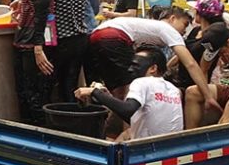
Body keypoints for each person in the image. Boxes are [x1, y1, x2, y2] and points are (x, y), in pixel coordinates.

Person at [87, 10, 218, 113]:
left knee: (117, 92)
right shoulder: (168, 29)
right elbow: (190, 63)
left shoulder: (149, 26)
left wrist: (166, 67)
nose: (184, 31)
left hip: (96, 36)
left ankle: (114, 128)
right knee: (131, 91)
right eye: (184, 24)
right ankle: (129, 131)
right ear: (172, 19)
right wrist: (208, 96)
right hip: (114, 37)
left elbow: (175, 59)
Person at [76, 46, 183, 140]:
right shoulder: (173, 89)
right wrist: (108, 97)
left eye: (135, 65)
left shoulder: (142, 82)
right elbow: (139, 118)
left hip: (146, 148)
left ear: (153, 68)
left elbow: (128, 110)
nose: (130, 69)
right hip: (169, 147)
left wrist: (94, 92)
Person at [6, 0, 55, 125]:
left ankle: (38, 133)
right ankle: (25, 130)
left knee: (34, 93)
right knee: (22, 90)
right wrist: (22, 1)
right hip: (22, 38)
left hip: (32, 42)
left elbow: (42, 14)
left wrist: (38, 47)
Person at [50, 0, 94, 103]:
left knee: (57, 82)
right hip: (80, 38)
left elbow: (49, 12)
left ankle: (59, 114)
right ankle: (72, 112)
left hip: (60, 41)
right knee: (72, 81)